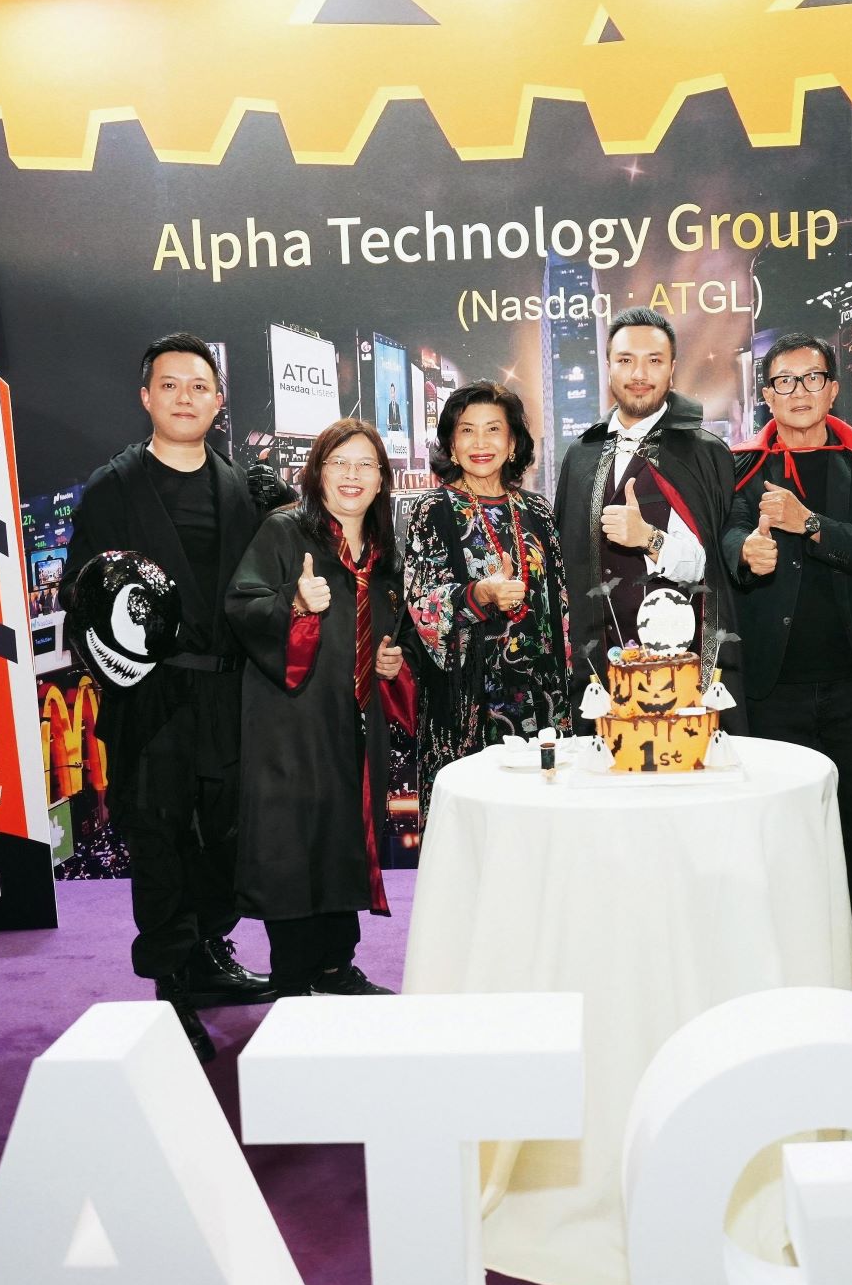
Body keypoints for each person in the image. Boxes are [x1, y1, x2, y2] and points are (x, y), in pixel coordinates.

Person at [61, 333, 277, 1064]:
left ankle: (209, 951)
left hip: (228, 689)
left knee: (226, 830)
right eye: (170, 384)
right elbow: (81, 599)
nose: (186, 397)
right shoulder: (111, 490)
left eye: (199, 386)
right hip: (149, 696)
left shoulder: (246, 487)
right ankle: (171, 986)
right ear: (146, 396)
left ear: (219, 402)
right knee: (158, 835)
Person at [722, 332, 852, 1000]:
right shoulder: (742, 464)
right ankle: (786, 958)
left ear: (832, 388)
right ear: (765, 394)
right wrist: (748, 551)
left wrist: (813, 525)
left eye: (811, 379)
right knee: (778, 832)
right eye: (783, 382)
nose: (798, 393)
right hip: (773, 687)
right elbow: (728, 532)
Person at [227, 418, 415, 999]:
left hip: (353, 724)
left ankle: (337, 968)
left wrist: (393, 664)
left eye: (366, 465)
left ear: (382, 480)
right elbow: (242, 605)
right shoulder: (285, 533)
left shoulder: (385, 554)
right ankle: (292, 979)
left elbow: (396, 635)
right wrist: (294, 601)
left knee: (341, 840)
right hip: (291, 723)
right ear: (318, 473)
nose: (352, 476)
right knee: (293, 846)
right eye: (339, 463)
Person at [554, 308, 739, 716]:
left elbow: (715, 571)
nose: (639, 373)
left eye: (654, 360)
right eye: (625, 360)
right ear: (608, 367)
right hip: (597, 673)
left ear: (672, 368)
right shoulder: (581, 455)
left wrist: (649, 540)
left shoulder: (705, 453)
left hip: (678, 677)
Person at [403, 382, 570, 816]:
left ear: (512, 443)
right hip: (466, 702)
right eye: (467, 431)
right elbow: (420, 605)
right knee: (474, 826)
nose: (481, 443)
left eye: (493, 430)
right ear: (451, 445)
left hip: (539, 698)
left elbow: (561, 608)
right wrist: (479, 594)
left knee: (539, 821)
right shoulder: (432, 509)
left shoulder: (538, 510)